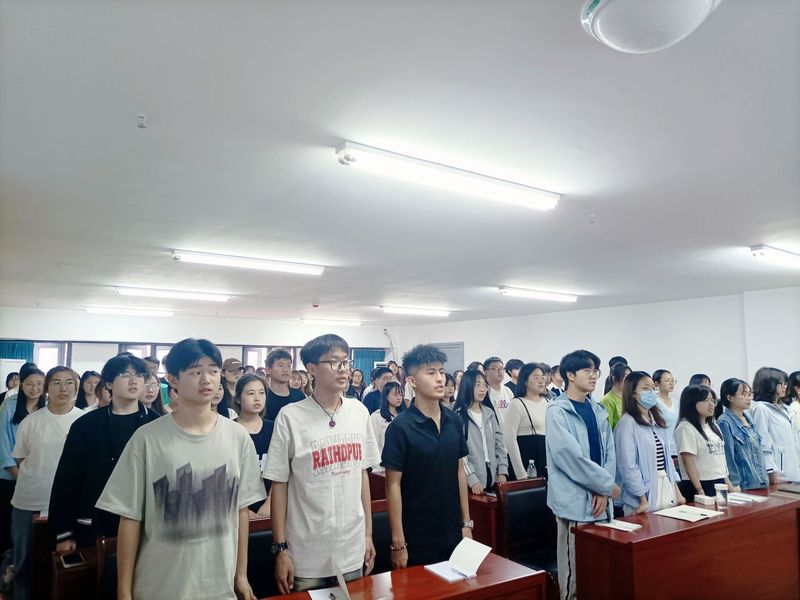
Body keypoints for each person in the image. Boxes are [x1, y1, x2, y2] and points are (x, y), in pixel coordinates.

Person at [96, 338, 265, 600]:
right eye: (196, 372)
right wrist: (124, 591)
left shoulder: (237, 437)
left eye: (213, 371)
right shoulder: (147, 439)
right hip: (159, 587)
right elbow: (130, 519)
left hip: (219, 587)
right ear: (173, 379)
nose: (206, 380)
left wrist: (240, 576)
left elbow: (241, 510)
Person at [264, 334, 379, 594]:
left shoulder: (359, 412)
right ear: (312, 369)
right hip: (306, 554)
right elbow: (279, 484)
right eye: (334, 362)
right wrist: (280, 548)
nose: (343, 369)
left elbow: (362, 475)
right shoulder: (291, 417)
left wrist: (368, 534)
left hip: (351, 549)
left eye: (345, 362)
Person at [49, 354, 159, 552]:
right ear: (108, 383)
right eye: (125, 375)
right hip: (94, 522)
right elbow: (67, 480)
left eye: (139, 375)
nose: (134, 381)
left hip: (145, 524)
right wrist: (64, 532)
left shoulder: (156, 424)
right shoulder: (86, 425)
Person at [382, 344, 473, 568]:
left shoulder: (453, 421)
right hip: (417, 534)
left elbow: (459, 470)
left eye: (441, 372)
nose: (440, 379)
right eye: (431, 373)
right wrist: (398, 542)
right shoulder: (400, 428)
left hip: (453, 530)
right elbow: (392, 485)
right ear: (412, 381)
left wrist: (466, 523)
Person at [546, 349, 619, 600]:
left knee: (598, 570)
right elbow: (569, 458)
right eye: (587, 370)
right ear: (570, 375)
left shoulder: (597, 409)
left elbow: (610, 453)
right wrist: (604, 485)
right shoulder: (557, 411)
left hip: (601, 500)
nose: (593, 376)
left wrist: (603, 488)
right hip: (574, 502)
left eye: (596, 371)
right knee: (574, 576)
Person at [11, 366, 83, 600]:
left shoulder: (84, 421)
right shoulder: (31, 422)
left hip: (69, 504)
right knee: (24, 562)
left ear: (76, 387)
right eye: (56, 382)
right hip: (30, 501)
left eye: (69, 383)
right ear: (47, 388)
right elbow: (21, 458)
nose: (63, 388)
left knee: (63, 564)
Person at [614, 371, 684, 515]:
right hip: (642, 496)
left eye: (653, 388)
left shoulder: (657, 421)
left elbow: (667, 461)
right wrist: (642, 498)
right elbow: (628, 466)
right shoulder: (627, 424)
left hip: (664, 487)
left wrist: (677, 492)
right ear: (633, 393)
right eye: (646, 389)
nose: (651, 393)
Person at [675, 385, 734, 502]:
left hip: (719, 482)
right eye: (706, 400)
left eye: (713, 400)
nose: (711, 404)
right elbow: (688, 461)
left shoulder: (713, 426)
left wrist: (730, 487)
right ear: (692, 402)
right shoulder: (685, 427)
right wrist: (700, 489)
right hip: (699, 483)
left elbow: (719, 462)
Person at [455, 369, 508, 495]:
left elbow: (499, 444)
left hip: (492, 474)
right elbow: (459, 452)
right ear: (467, 386)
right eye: (477, 385)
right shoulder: (458, 416)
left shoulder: (489, 413)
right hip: (472, 477)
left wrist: (502, 470)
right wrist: (471, 478)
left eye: (485, 385)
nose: (482, 389)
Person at [232, 374, 273, 519]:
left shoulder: (273, 428)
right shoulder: (230, 430)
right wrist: (242, 509)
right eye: (250, 393)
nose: (257, 398)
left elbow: (280, 470)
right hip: (237, 507)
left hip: (270, 505)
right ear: (238, 398)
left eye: (261, 393)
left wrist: (269, 502)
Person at [717, 378, 768, 490]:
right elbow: (728, 458)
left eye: (749, 394)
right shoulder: (724, 422)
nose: (749, 398)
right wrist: (734, 485)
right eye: (744, 394)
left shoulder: (749, 419)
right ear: (730, 398)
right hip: (743, 485)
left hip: (760, 481)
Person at [748, 367, 797, 483]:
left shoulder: (785, 408)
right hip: (779, 474)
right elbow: (762, 443)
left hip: (793, 469)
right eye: (781, 383)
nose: (785, 386)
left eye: (785, 383)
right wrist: (770, 470)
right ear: (769, 384)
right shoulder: (761, 409)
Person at [505, 363, 549, 480]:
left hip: (545, 461)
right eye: (536, 377)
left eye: (542, 377)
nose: (541, 381)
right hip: (526, 462)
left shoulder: (548, 403)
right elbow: (510, 439)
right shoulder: (516, 404)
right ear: (524, 381)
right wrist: (520, 473)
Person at [369, 381, 405, 469]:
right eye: (395, 395)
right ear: (386, 396)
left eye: (401, 395)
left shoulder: (405, 416)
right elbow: (373, 443)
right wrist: (376, 467)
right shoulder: (377, 416)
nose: (399, 398)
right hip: (382, 466)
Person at [264, 349, 306, 422]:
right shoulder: (263, 397)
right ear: (268, 369)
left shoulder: (299, 395)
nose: (285, 369)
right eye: (280, 365)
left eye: (289, 366)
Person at [653, 369, 679, 466]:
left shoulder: (676, 402)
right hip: (662, 449)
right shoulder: (654, 402)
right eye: (667, 381)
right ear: (657, 384)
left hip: (676, 449)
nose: (671, 383)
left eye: (672, 381)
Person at [601, 362, 631, 430]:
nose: (628, 380)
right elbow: (607, 429)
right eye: (625, 376)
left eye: (630, 376)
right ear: (614, 378)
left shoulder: (629, 398)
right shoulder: (607, 401)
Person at [484, 356, 513, 426]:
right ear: (486, 372)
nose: (500, 371)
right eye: (495, 369)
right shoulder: (484, 392)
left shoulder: (508, 391)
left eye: (501, 369)